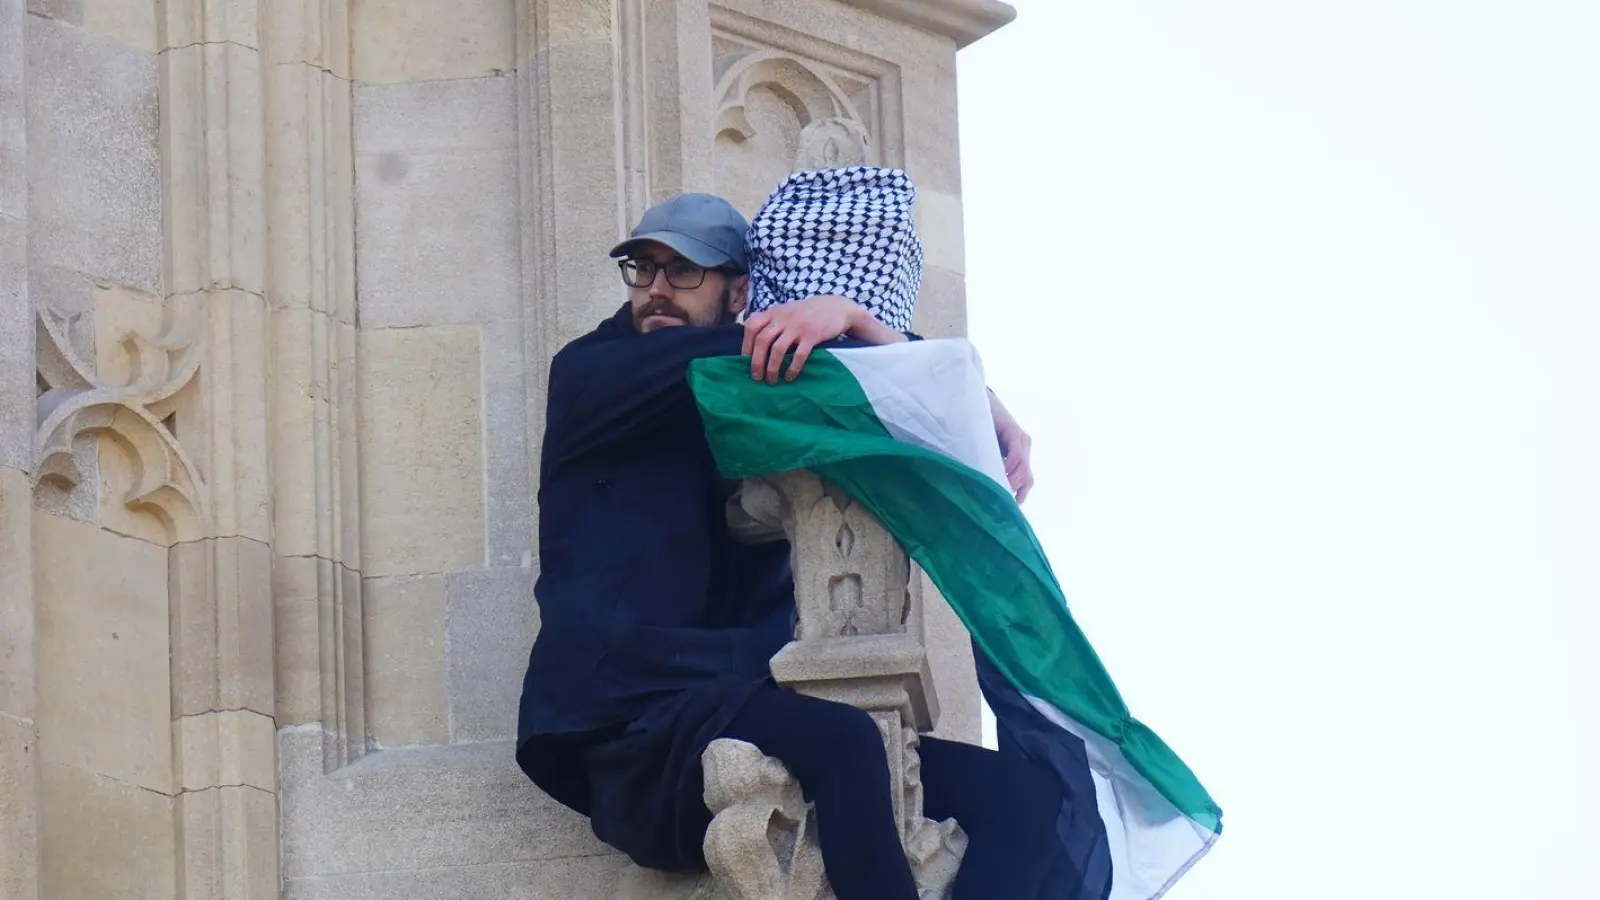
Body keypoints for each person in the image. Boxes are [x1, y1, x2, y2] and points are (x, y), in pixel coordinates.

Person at [516, 191, 1065, 900]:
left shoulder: (736, 397)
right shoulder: (595, 372)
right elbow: (817, 366)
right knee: (846, 744)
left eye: (685, 272)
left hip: (728, 696)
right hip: (630, 723)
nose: (656, 290)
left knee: (1027, 799)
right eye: (643, 268)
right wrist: (859, 320)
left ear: (738, 290)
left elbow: (858, 390)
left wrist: (958, 383)